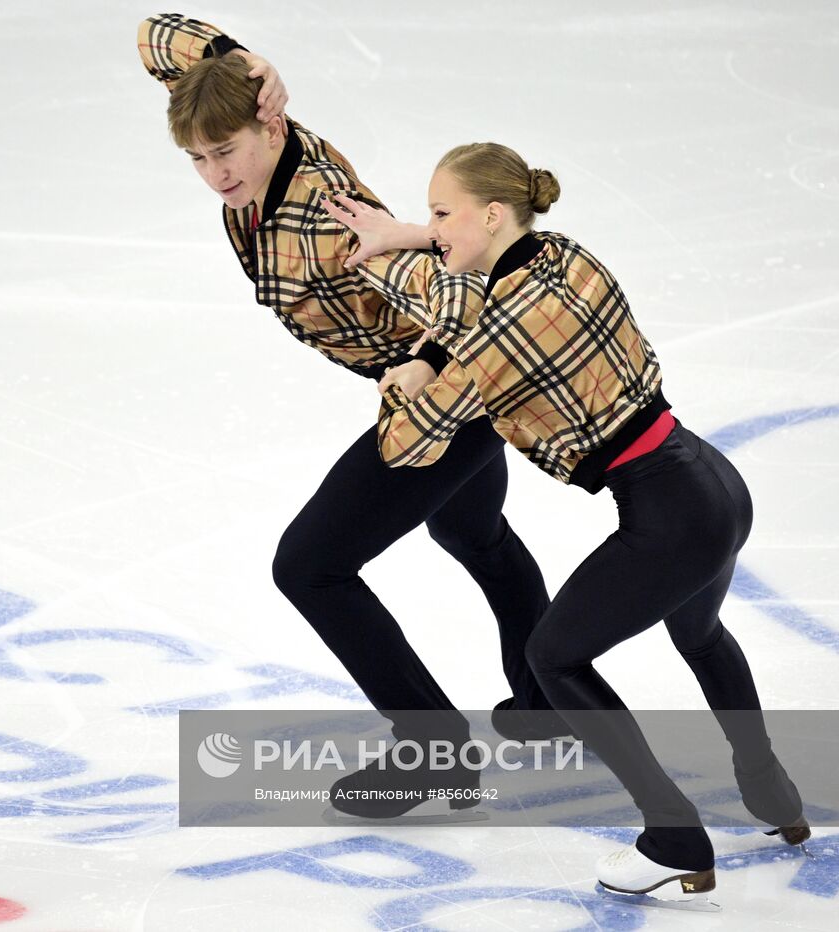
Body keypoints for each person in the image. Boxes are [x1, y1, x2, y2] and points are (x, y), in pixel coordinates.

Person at [324, 142, 808, 892]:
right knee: (701, 635)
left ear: (492, 214)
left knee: (552, 659)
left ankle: (674, 836)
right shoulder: (563, 253)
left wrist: (401, 381)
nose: (434, 226)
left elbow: (411, 443)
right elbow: (459, 284)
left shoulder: (499, 333)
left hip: (668, 516)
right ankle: (772, 792)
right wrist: (403, 243)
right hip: (712, 481)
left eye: (442, 213)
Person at [137, 15, 564, 818]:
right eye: (196, 158)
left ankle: (434, 751)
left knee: (309, 566)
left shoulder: (327, 217)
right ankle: (549, 704)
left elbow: (464, 290)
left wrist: (426, 361)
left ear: (270, 127)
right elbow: (154, 34)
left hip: (448, 391)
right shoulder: (249, 126)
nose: (214, 174)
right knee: (471, 531)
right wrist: (240, 59)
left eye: (224, 152)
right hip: (430, 381)